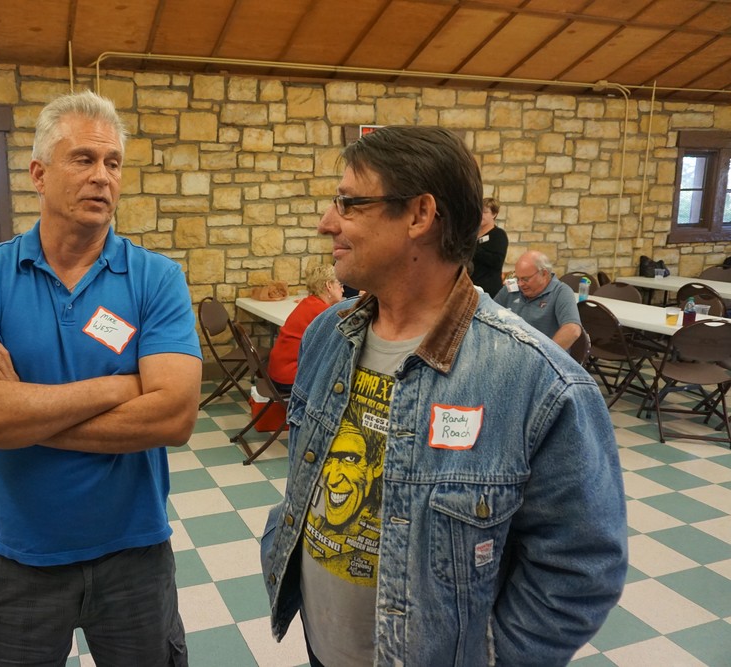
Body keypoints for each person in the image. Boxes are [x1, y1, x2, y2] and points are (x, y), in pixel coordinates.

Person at [260, 126, 627, 666]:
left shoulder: (537, 379)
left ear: (419, 215)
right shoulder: (327, 335)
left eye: (349, 203)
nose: (326, 223)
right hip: (322, 646)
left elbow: (580, 567)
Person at [0, 91, 201, 667]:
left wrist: (16, 406)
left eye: (113, 163)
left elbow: (174, 417)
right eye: (83, 159)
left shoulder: (155, 278)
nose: (102, 176)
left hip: (135, 554)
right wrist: (121, 386)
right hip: (22, 557)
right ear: (39, 174)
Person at [267, 263, 344, 395]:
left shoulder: (308, 303)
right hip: (291, 377)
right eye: (340, 285)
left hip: (276, 372)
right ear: (329, 286)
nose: (343, 290)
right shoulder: (323, 312)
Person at [493, 250, 583, 350]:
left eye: (525, 279)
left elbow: (572, 330)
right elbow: (490, 314)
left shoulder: (561, 292)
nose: (520, 284)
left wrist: (544, 355)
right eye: (517, 278)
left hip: (542, 354)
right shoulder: (511, 287)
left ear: (544, 273)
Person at [469, 196, 508, 297]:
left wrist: (474, 249)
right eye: (479, 211)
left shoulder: (498, 235)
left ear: (494, 214)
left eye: (485, 212)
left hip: (488, 288)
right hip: (471, 285)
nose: (480, 215)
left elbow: (497, 261)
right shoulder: (472, 234)